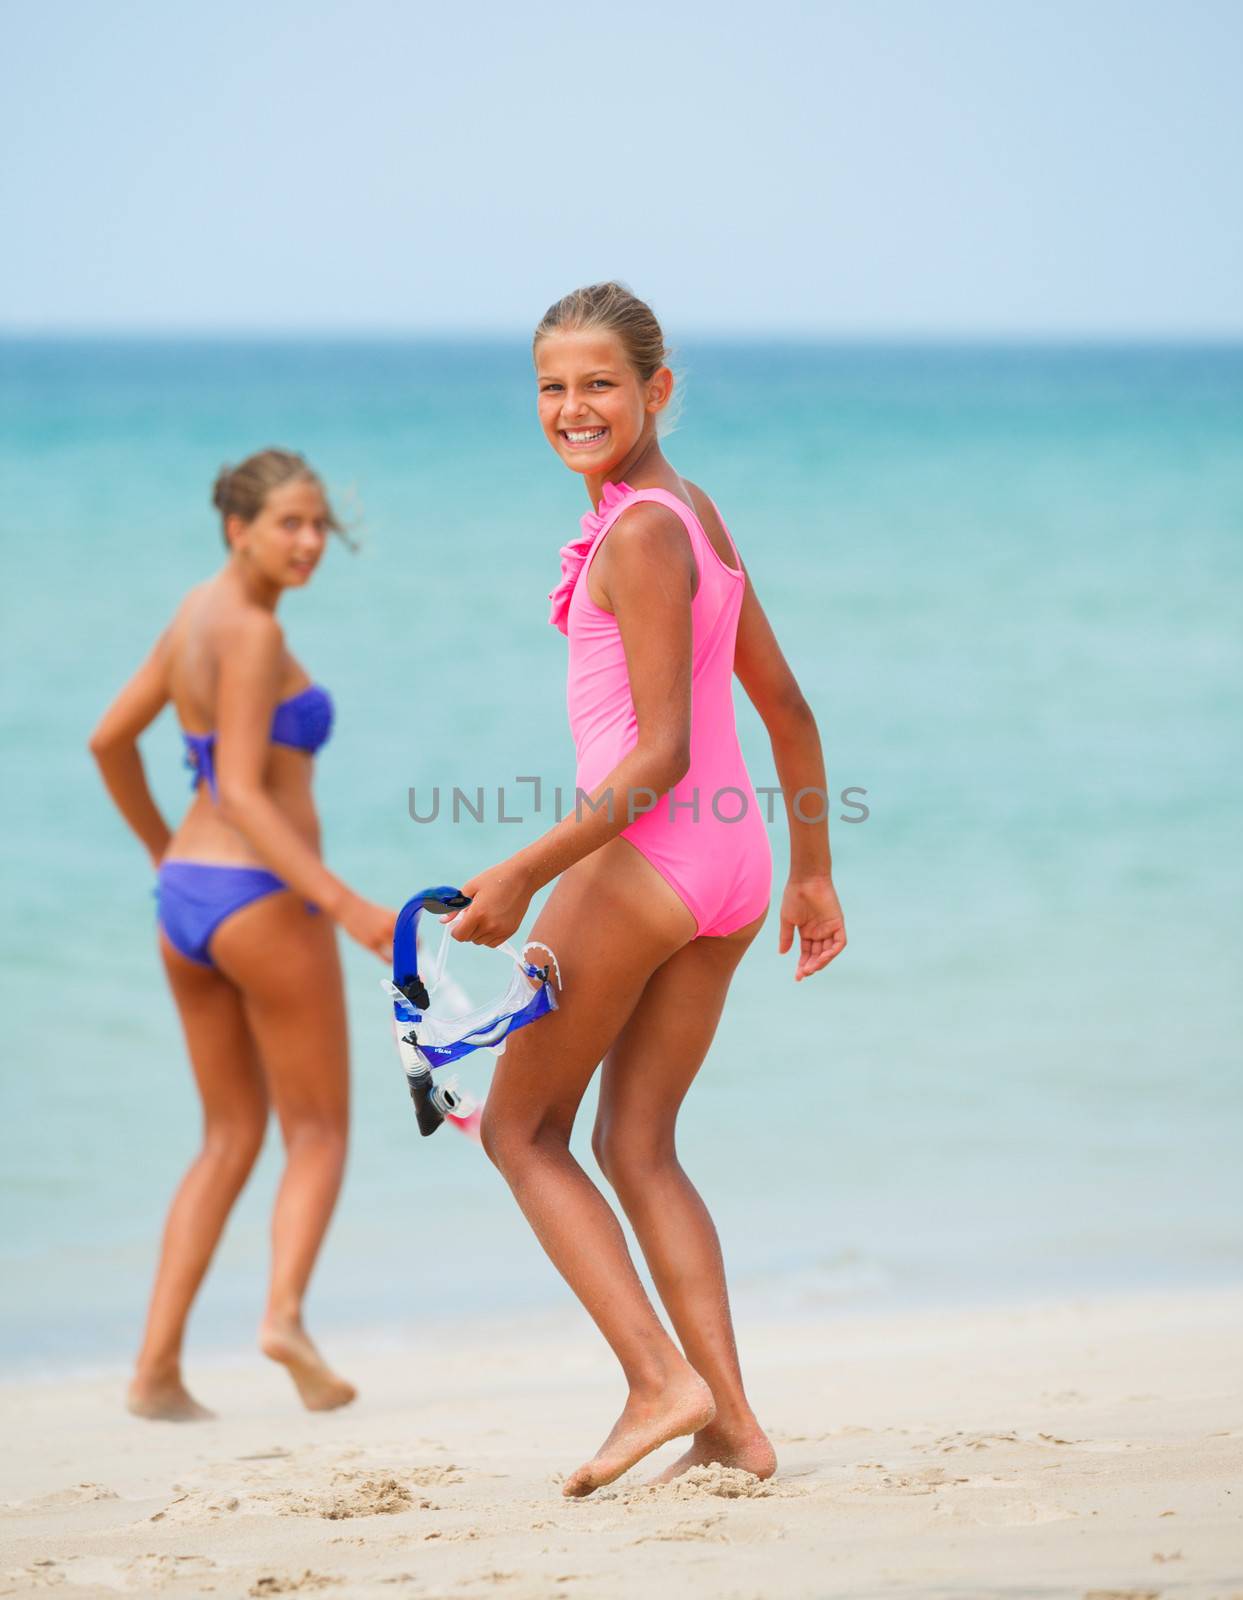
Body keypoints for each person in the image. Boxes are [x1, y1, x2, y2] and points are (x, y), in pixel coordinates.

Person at [446, 283, 847, 1495]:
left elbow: (662, 750)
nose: (573, 407)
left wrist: (521, 868)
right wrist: (813, 870)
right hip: (729, 867)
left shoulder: (637, 533)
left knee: (518, 1131)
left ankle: (656, 1381)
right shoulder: (689, 511)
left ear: (656, 390)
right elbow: (784, 705)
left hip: (650, 856)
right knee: (638, 1142)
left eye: (600, 385)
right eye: (552, 387)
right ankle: (731, 1424)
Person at [89, 448, 395, 1421]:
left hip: (186, 896)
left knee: (226, 1135)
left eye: (318, 525)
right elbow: (247, 796)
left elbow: (109, 739)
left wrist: (159, 853)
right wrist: (346, 906)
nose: (309, 542)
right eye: (288, 525)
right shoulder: (255, 631)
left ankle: (155, 1373)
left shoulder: (195, 611)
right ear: (239, 528)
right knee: (318, 1130)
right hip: (263, 899)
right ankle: (284, 1318)